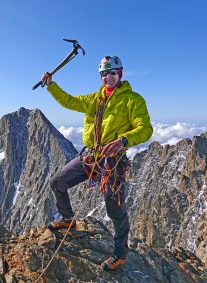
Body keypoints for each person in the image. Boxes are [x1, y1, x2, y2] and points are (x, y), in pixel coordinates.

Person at [40, 55, 153, 271]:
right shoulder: (95, 99)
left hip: (113, 161)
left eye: (111, 73)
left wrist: (123, 141)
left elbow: (145, 128)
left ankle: (120, 255)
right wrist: (51, 86)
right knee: (57, 182)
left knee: (114, 208)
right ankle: (67, 219)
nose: (107, 77)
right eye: (103, 74)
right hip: (92, 156)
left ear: (120, 73)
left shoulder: (132, 100)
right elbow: (70, 101)